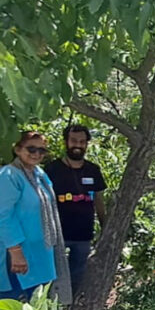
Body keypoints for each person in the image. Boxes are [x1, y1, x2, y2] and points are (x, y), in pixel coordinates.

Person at [0, 131, 72, 310]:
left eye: (41, 150)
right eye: (31, 149)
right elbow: (5, 216)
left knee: (39, 299)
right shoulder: (8, 176)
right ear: (18, 149)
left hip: (40, 251)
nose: (36, 154)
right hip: (15, 250)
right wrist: (15, 251)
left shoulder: (39, 174)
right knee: (8, 297)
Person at [44, 124, 107, 296]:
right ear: (66, 142)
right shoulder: (52, 169)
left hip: (83, 235)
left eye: (82, 141)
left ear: (87, 144)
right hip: (57, 235)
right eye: (73, 141)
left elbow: (99, 201)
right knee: (53, 281)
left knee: (77, 279)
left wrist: (105, 227)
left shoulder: (93, 170)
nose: (77, 145)